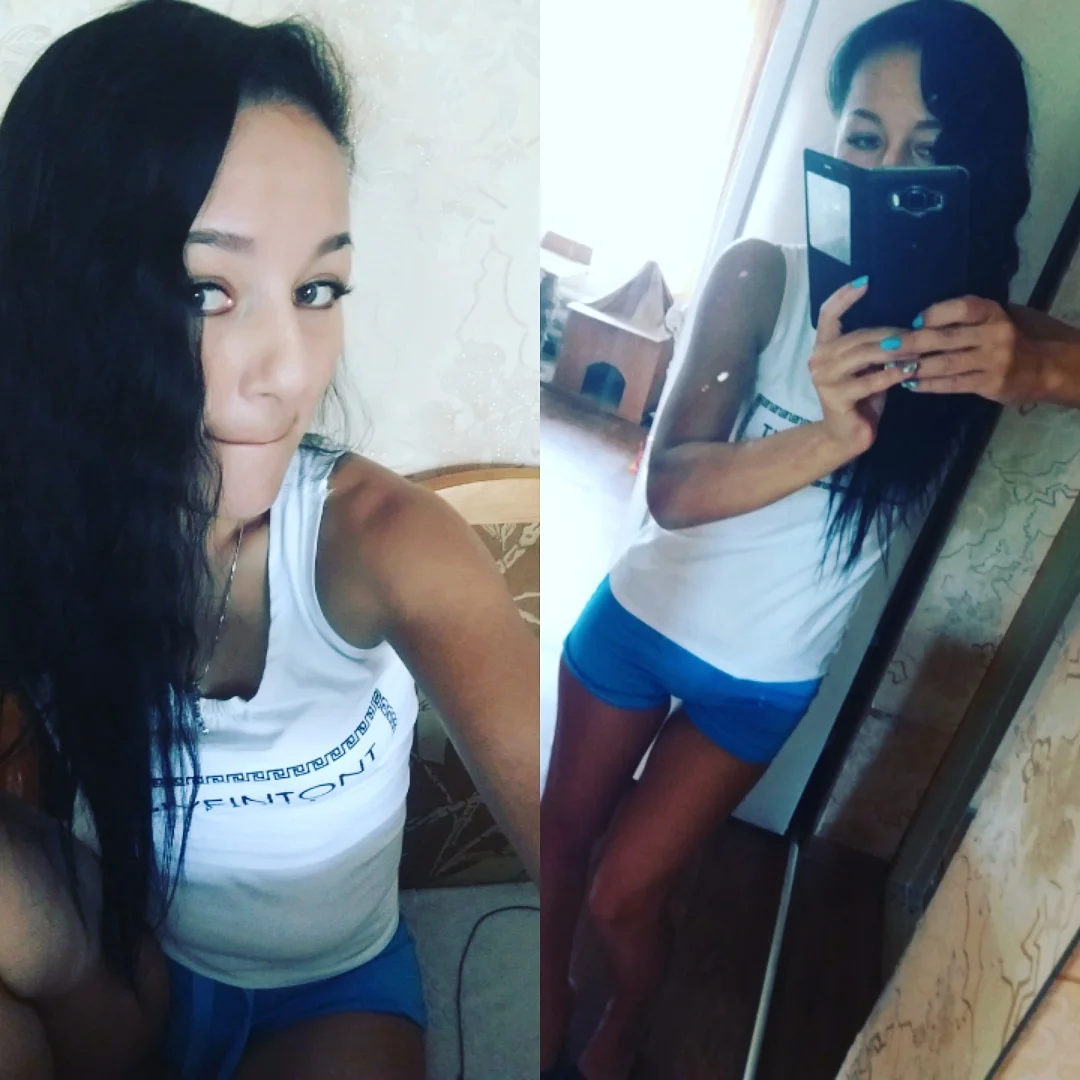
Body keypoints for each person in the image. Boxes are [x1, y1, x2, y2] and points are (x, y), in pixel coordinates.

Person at [0, 2, 539, 1078]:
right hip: (120, 959)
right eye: (208, 289)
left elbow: (573, 825)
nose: (289, 370)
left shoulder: (383, 542)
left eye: (316, 290)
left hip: (330, 996)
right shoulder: (36, 516)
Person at [539, 3, 1041, 1078]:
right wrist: (826, 437)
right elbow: (672, 487)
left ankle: (624, 1017)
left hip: (758, 683)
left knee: (624, 895)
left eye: (928, 153)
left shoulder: (979, 341)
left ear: (981, 173)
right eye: (863, 137)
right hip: (637, 620)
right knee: (560, 838)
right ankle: (538, 1007)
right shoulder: (759, 272)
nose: (884, 173)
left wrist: (1037, 363)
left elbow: (1053, 368)